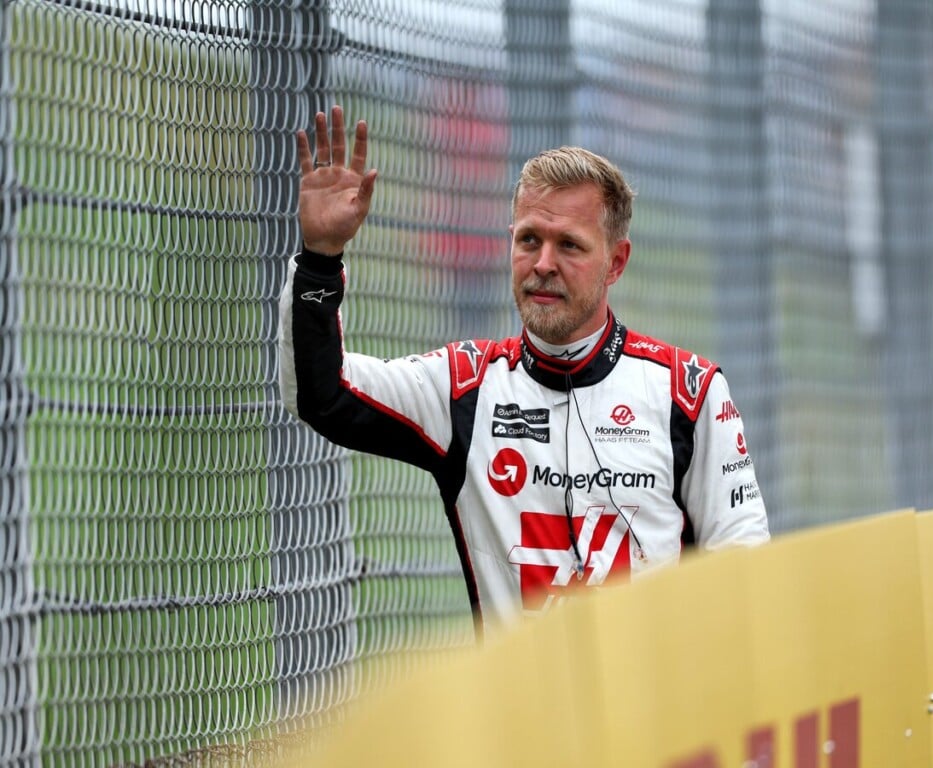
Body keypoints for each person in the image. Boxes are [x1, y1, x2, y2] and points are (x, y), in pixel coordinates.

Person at [279, 106, 769, 638]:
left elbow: (743, 574)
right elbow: (320, 393)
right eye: (530, 240)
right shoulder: (464, 386)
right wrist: (321, 259)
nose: (542, 264)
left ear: (617, 261)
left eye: (570, 246)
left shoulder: (688, 392)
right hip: (520, 720)